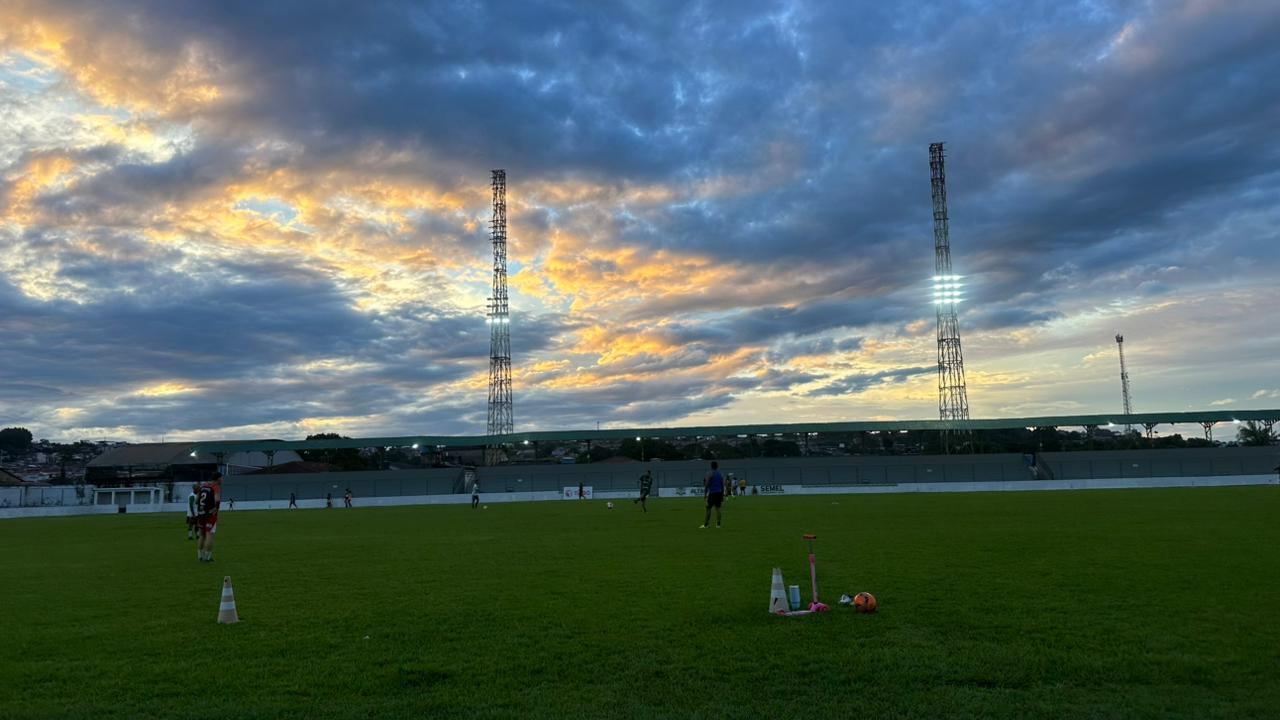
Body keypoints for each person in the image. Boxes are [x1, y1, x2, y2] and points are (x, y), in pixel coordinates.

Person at [195, 472, 222, 562]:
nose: (222, 480)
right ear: (218, 478)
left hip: (201, 514)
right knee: (209, 535)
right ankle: (207, 557)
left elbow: (196, 500)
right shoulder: (216, 486)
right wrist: (215, 510)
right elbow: (217, 500)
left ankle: (200, 556)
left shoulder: (203, 485)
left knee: (202, 535)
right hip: (210, 515)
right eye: (221, 478)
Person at [699, 461, 725, 529]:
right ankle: (718, 525)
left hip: (712, 493)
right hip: (719, 493)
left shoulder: (710, 473)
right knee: (718, 509)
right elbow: (722, 485)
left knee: (708, 509)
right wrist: (722, 495)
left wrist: (705, 494)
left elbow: (706, 484)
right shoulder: (720, 474)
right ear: (717, 466)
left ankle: (706, 525)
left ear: (711, 466)